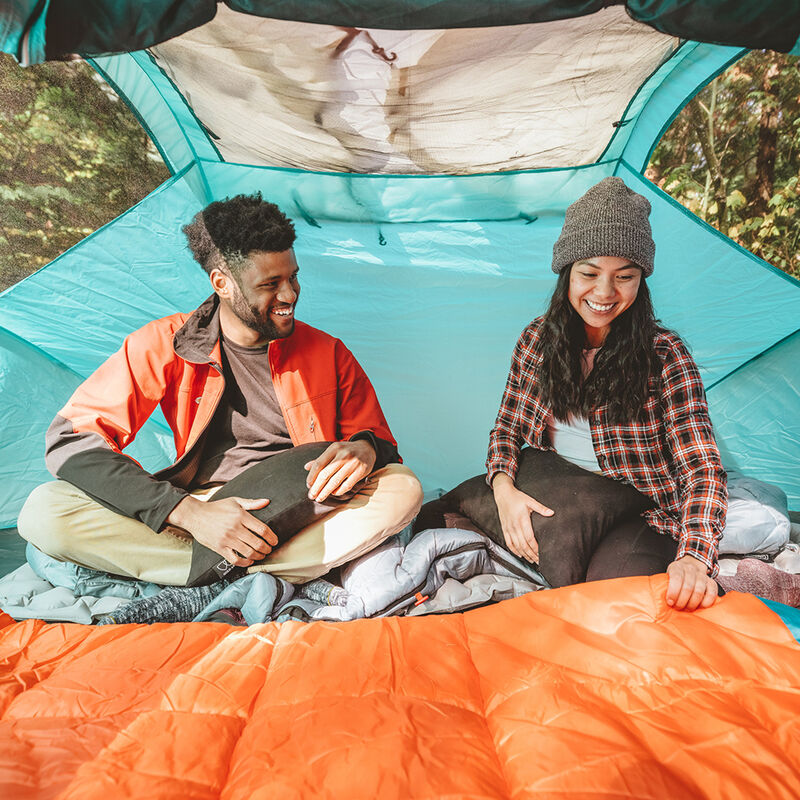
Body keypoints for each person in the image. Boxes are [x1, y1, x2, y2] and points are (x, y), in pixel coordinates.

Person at [18, 192, 423, 588]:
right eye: (270, 283)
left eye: (293, 277)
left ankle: (211, 579)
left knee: (401, 488)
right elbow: (72, 439)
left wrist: (366, 448)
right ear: (222, 283)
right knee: (44, 510)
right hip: (204, 512)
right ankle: (260, 573)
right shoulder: (163, 342)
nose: (289, 295)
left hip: (301, 508)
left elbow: (381, 444)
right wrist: (188, 513)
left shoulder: (328, 352)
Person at [487, 177, 727, 612]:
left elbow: (702, 467)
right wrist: (503, 489)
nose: (603, 293)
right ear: (566, 273)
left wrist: (694, 556)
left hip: (639, 509)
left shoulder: (664, 354)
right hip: (561, 494)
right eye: (589, 273)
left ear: (642, 281)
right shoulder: (536, 342)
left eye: (625, 276)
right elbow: (506, 430)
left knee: (612, 601)